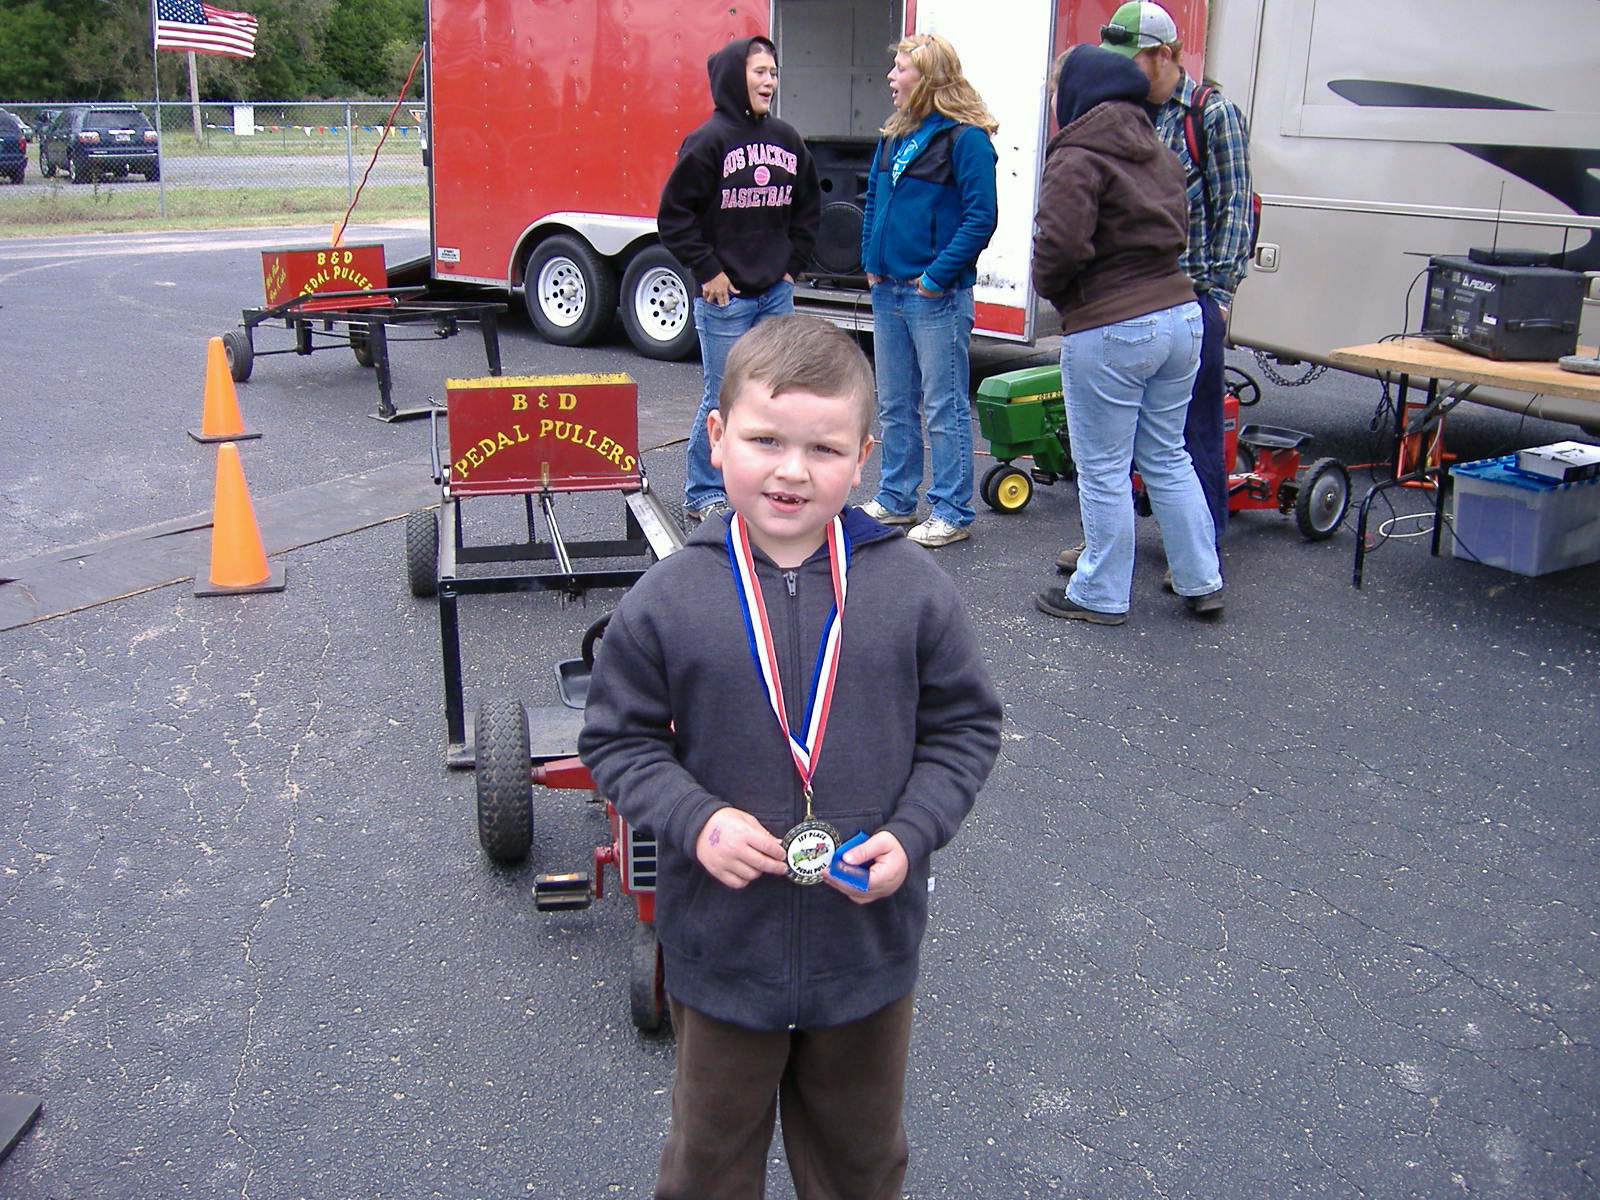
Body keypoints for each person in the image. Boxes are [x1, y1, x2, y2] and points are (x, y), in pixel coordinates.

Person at [579, 314, 1002, 1200]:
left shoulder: (914, 591)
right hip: (722, 951)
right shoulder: (667, 599)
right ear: (716, 435)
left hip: (866, 948)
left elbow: (964, 727)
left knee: (862, 1163)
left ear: (865, 456)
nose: (793, 471)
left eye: (824, 448)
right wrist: (695, 820)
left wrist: (913, 834)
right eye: (766, 440)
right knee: (708, 1163)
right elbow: (617, 739)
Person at [1031, 43, 1223, 624]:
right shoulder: (1160, 154)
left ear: (1077, 94)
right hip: (1181, 315)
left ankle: (1100, 593)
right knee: (1167, 454)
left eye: (1057, 92)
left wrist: (1062, 296)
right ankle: (1202, 578)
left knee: (1104, 467)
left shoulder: (1077, 156)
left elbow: (1059, 246)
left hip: (1113, 322)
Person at [1090, 0, 1254, 557]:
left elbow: (1236, 208)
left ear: (1164, 55)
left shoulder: (1212, 115)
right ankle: (1109, 547)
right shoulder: (1126, 112)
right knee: (1116, 435)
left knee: (1192, 431)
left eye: (1131, 58)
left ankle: (1201, 548)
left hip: (1190, 297)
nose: (1121, 69)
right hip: (1129, 297)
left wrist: (1221, 295)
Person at [658, 35, 822, 526]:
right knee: (723, 396)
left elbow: (808, 209)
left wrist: (791, 268)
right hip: (725, 299)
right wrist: (708, 270)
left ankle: (758, 482)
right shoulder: (706, 141)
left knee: (773, 394)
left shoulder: (787, 139)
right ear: (734, 77)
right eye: (759, 72)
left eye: (773, 72)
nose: (769, 81)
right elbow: (675, 217)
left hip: (774, 294)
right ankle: (703, 491)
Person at [858, 33, 999, 548]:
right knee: (894, 402)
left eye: (900, 69)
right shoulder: (895, 135)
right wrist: (870, 260)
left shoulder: (967, 139)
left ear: (928, 77)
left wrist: (936, 278)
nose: (891, 78)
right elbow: (873, 197)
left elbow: (981, 218)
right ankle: (896, 498)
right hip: (889, 290)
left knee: (944, 406)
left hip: (934, 297)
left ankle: (952, 510)